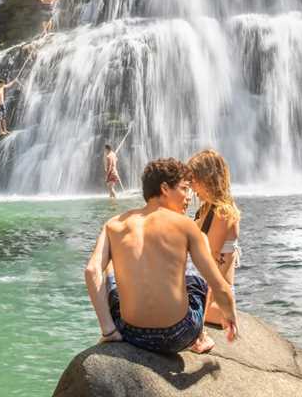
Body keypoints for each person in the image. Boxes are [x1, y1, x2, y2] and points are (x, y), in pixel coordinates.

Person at [83, 158, 240, 354]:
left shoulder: (114, 224)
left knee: (108, 266)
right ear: (165, 189)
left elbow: (91, 271)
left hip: (130, 332)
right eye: (184, 188)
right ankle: (200, 337)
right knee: (200, 247)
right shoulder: (186, 226)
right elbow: (218, 286)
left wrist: (109, 330)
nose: (189, 196)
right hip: (180, 334)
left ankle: (108, 331)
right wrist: (230, 316)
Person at [187, 148, 241, 354]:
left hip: (216, 300)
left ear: (207, 178)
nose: (191, 187)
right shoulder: (206, 209)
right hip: (204, 291)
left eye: (194, 180)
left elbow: (208, 267)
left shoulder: (223, 213)